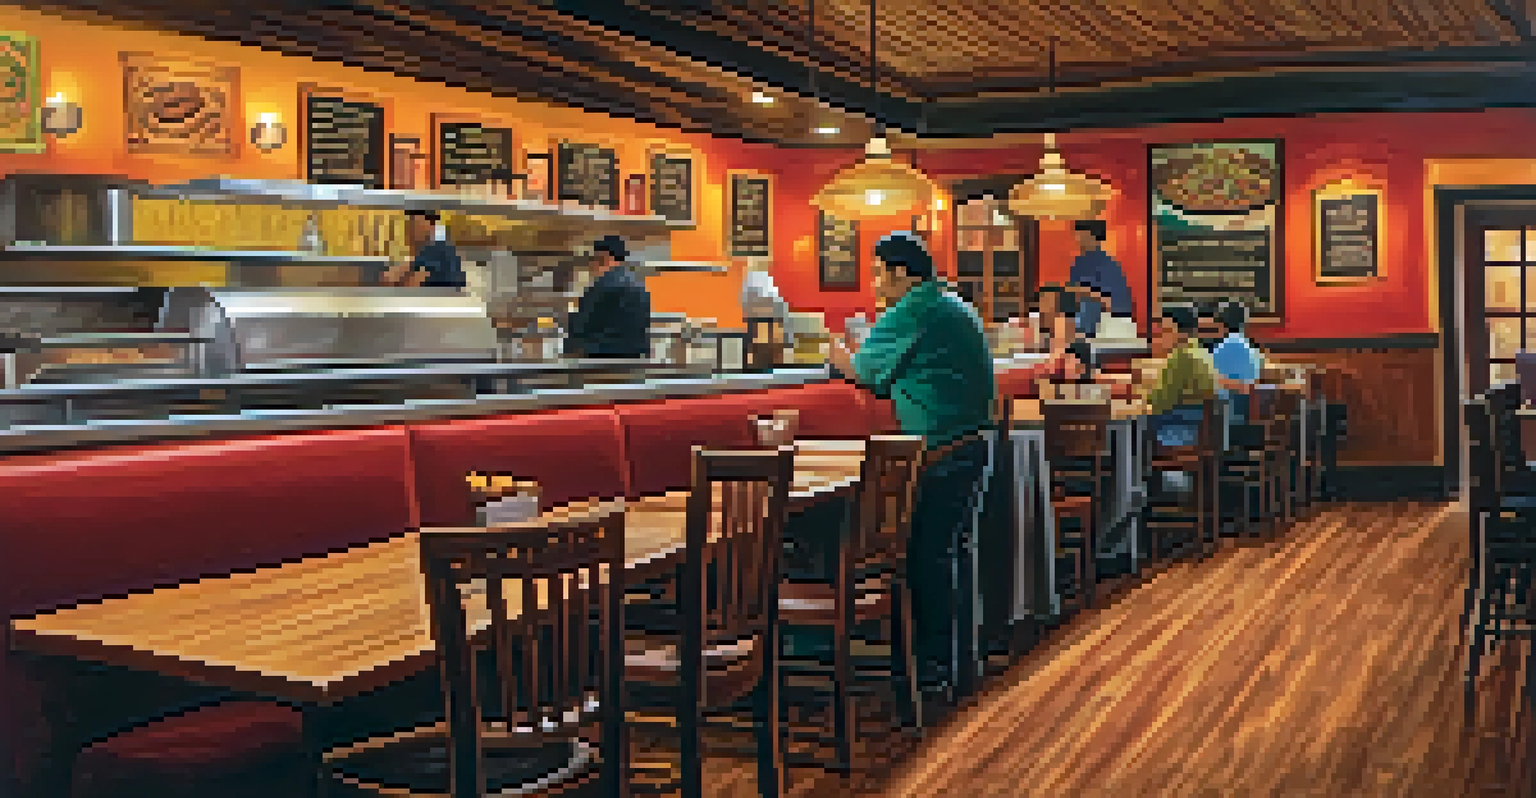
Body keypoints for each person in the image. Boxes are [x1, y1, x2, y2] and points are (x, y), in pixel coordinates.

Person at [827, 231, 995, 695]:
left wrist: (832, 352)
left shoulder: (915, 309)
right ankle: (958, 668)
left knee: (930, 561)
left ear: (901, 273)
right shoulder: (951, 304)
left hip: (942, 452)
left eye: (880, 272)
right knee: (951, 558)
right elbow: (893, 376)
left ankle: (934, 674)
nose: (877, 282)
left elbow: (862, 371)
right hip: (972, 445)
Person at [1145, 303, 1218, 449]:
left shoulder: (1181, 357)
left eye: (1166, 331)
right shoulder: (1202, 353)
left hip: (1179, 429)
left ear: (1182, 333)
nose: (1161, 336)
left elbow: (1161, 402)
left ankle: (1135, 471)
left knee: (1135, 428)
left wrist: (1143, 395)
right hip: (1202, 430)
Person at [566, 235, 652, 359]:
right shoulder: (640, 285)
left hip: (601, 358)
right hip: (633, 359)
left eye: (594, 259)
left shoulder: (601, 286)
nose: (591, 265)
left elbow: (582, 326)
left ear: (604, 258)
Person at [1069, 219, 1133, 339]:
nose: (1077, 238)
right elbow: (1074, 297)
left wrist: (1084, 292)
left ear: (1091, 235)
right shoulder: (1078, 263)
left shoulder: (1108, 265)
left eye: (1080, 234)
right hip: (1082, 328)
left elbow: (1116, 303)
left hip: (1106, 330)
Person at [382, 210, 466, 288]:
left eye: (414, 226)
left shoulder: (441, 250)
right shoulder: (421, 252)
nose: (409, 231)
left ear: (431, 226)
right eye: (409, 225)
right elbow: (390, 278)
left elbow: (414, 282)